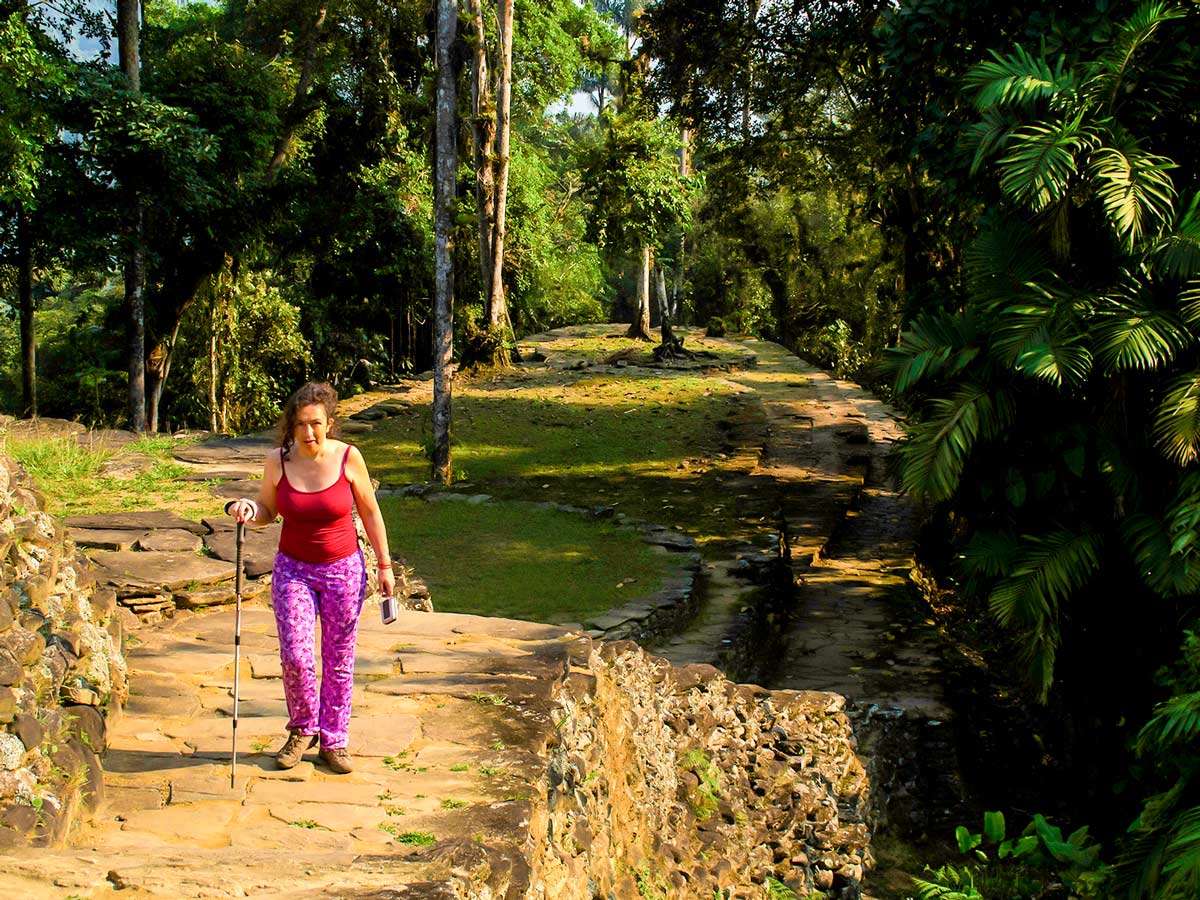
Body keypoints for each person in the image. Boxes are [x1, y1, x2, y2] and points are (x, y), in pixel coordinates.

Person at [226, 382, 394, 774]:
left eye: (316, 424)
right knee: (297, 656)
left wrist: (384, 565)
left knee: (338, 658)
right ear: (291, 426)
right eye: (301, 424)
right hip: (293, 570)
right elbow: (269, 509)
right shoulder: (277, 461)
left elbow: (370, 513)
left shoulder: (350, 458)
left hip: (343, 569)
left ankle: (334, 740)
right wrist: (250, 509)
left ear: (329, 423)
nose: (308, 433)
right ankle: (303, 728)